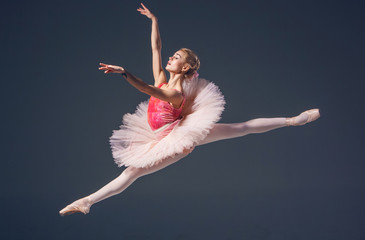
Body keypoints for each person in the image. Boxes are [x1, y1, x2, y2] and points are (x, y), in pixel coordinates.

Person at [59, 3, 320, 216]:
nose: (170, 58)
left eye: (176, 57)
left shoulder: (173, 93)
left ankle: (292, 120)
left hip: (178, 139)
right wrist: (154, 21)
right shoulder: (163, 78)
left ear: (185, 68)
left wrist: (124, 72)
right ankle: (87, 202)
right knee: (238, 129)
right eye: (172, 55)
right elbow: (156, 48)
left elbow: (147, 90)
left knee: (239, 128)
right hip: (161, 134)